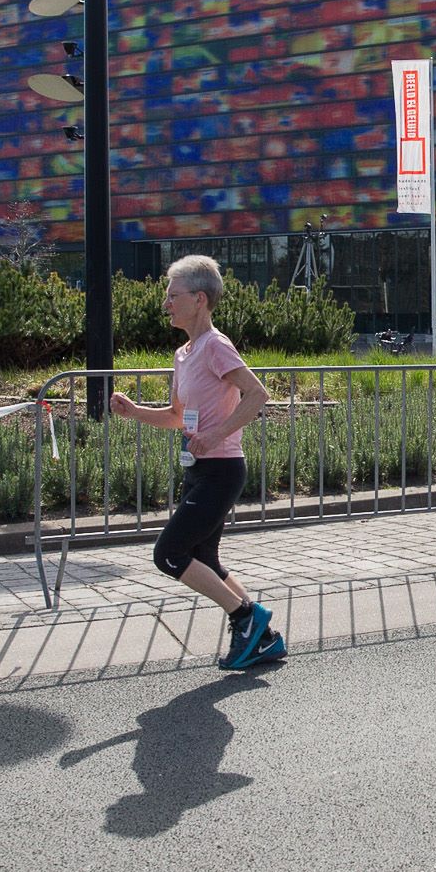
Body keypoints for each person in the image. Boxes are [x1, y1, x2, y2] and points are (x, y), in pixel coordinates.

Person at [111, 256, 281, 671]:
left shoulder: (215, 346)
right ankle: (265, 638)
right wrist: (134, 412)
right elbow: (176, 416)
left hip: (222, 469)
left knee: (169, 553)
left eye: (173, 296)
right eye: (166, 296)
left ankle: (246, 618)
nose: (166, 303)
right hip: (199, 468)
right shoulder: (184, 353)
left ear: (199, 299)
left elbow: (258, 395)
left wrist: (214, 435)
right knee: (205, 559)